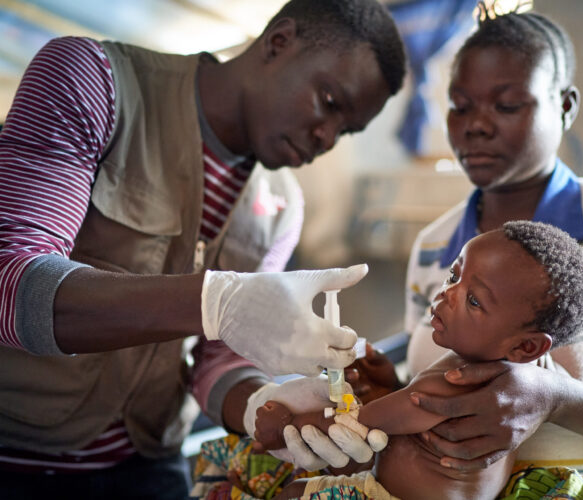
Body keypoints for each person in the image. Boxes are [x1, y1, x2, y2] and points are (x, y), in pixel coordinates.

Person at [0, 0, 406, 498]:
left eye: (346, 131)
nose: (326, 137)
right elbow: (13, 284)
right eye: (328, 101)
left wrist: (266, 405)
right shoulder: (94, 80)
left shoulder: (281, 207)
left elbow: (218, 357)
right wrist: (215, 301)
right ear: (279, 42)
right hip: (15, 457)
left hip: (146, 468)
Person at [403, 5, 583, 498]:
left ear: (565, 105)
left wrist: (557, 397)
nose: (475, 125)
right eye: (460, 104)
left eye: (508, 104)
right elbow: (426, 386)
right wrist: (380, 384)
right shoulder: (434, 245)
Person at [246, 221, 583, 500]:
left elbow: (353, 427)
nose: (446, 294)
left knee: (295, 493)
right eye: (454, 276)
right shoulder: (522, 375)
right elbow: (409, 427)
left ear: (526, 346)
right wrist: (392, 386)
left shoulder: (451, 386)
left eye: (474, 301)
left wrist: (287, 424)